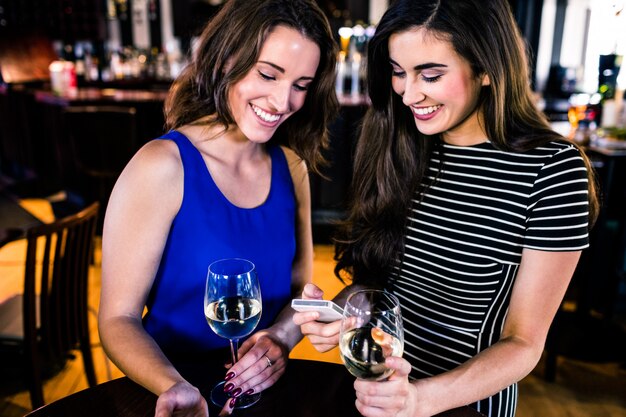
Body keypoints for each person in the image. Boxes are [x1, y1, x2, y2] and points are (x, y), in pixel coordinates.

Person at [294, 0, 599, 416]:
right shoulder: (398, 144)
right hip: (377, 395)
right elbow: (382, 282)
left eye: (431, 75)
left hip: (463, 407)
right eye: (399, 73)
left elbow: (524, 342)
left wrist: (419, 400)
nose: (409, 93)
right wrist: (346, 310)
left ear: (488, 68)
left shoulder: (551, 170)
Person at [98, 0, 338, 416]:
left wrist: (280, 338)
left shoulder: (292, 166)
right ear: (227, 59)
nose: (283, 101)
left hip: (264, 396)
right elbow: (117, 320)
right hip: (172, 397)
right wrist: (173, 386)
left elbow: (300, 289)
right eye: (268, 74)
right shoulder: (163, 165)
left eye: (301, 84)